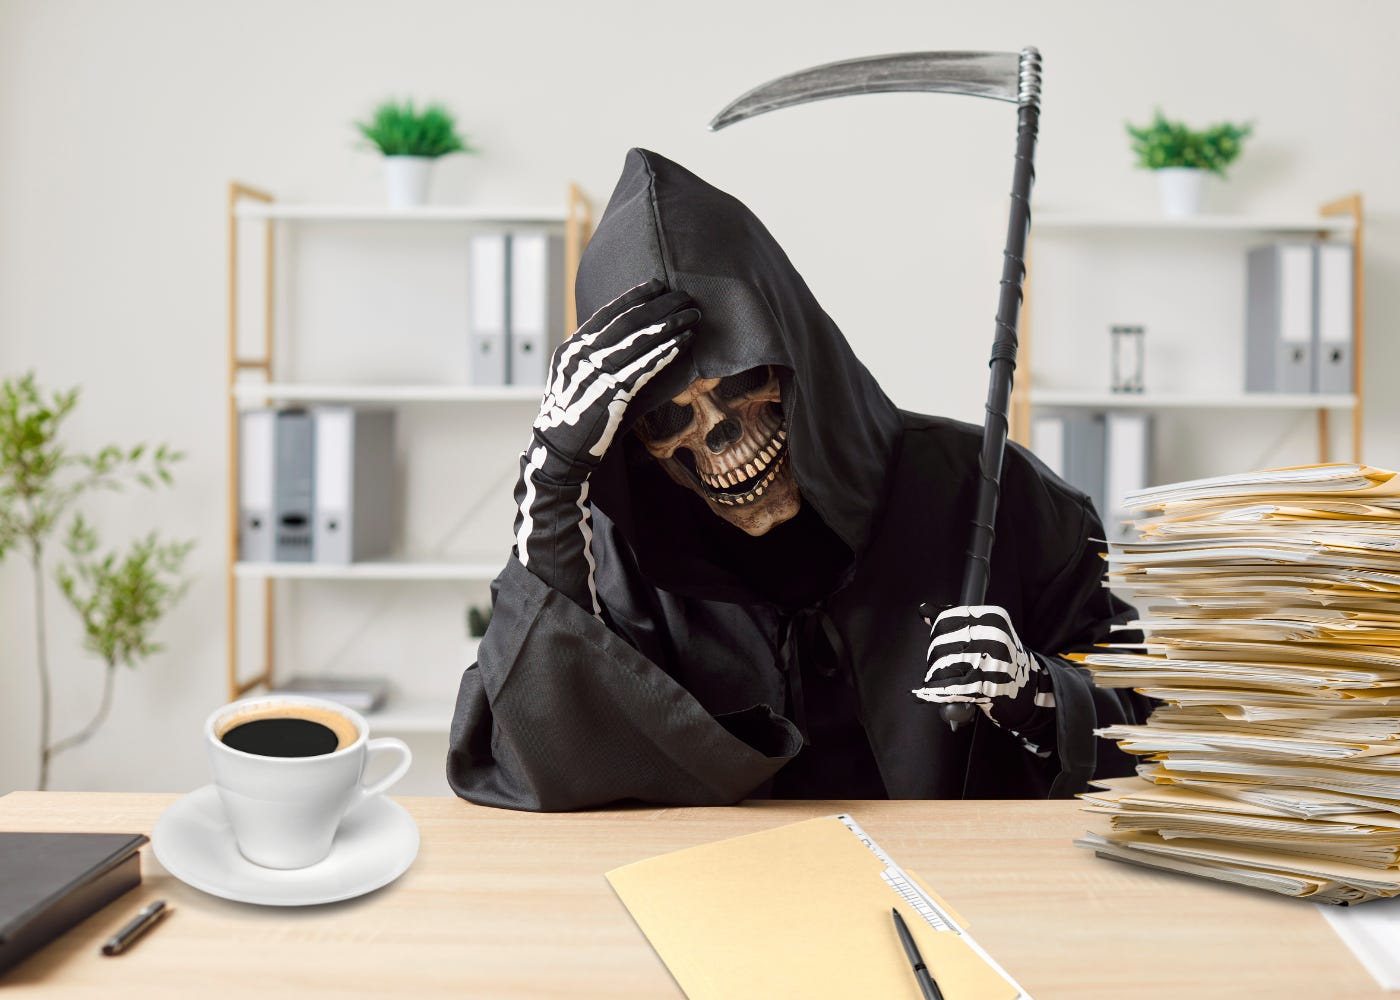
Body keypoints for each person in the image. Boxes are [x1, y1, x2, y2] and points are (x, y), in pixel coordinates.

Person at [447, 148, 1150, 811]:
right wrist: (549, 484)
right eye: (670, 419)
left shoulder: (1001, 495)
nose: (719, 435)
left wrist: (1038, 691)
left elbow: (1148, 718)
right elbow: (529, 762)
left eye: (744, 383)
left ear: (798, 358)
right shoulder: (616, 558)